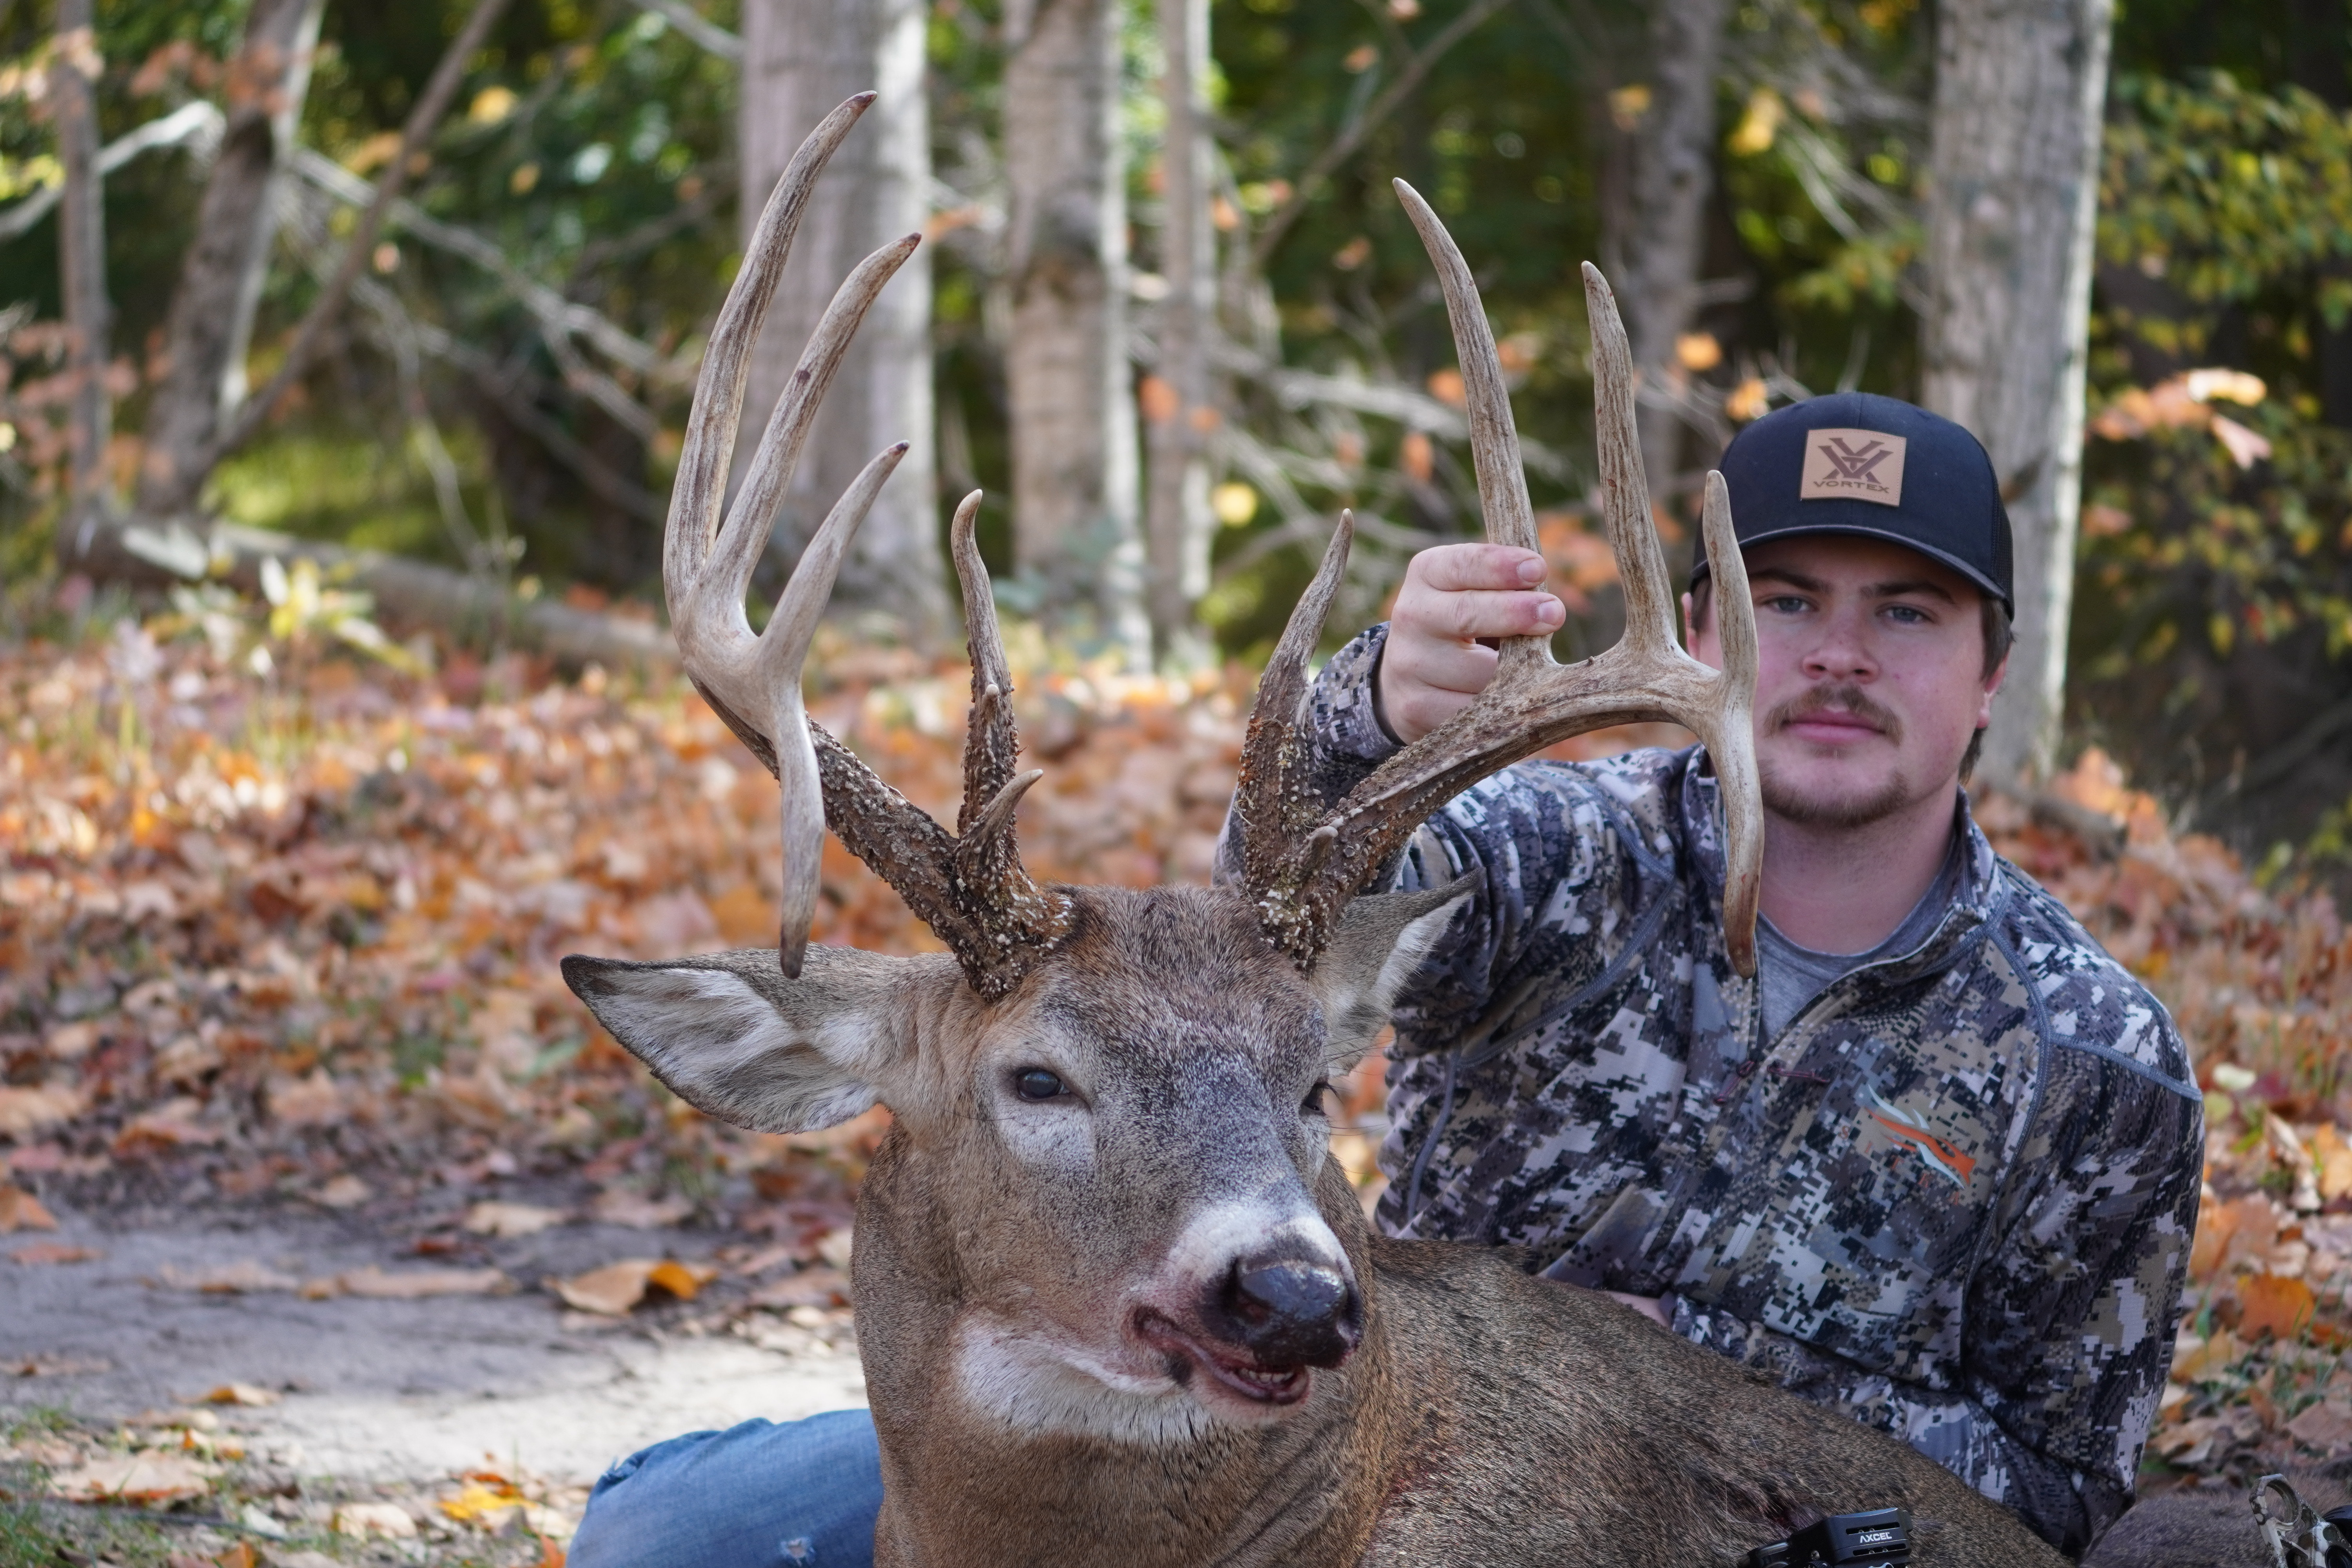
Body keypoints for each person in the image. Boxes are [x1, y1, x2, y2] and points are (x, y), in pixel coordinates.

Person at [568, 393, 2201, 1566]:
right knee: (655, 1534)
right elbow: (1241, 957)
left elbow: (2061, 1490)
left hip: (1640, 1493)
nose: (1839, 655)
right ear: (1702, 637)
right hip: (1286, 1384)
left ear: (1995, 671)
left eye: (1905, 613)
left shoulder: (2100, 1051)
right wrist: (1375, 704)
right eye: (1786, 602)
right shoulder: (1557, 853)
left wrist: (1686, 1364)